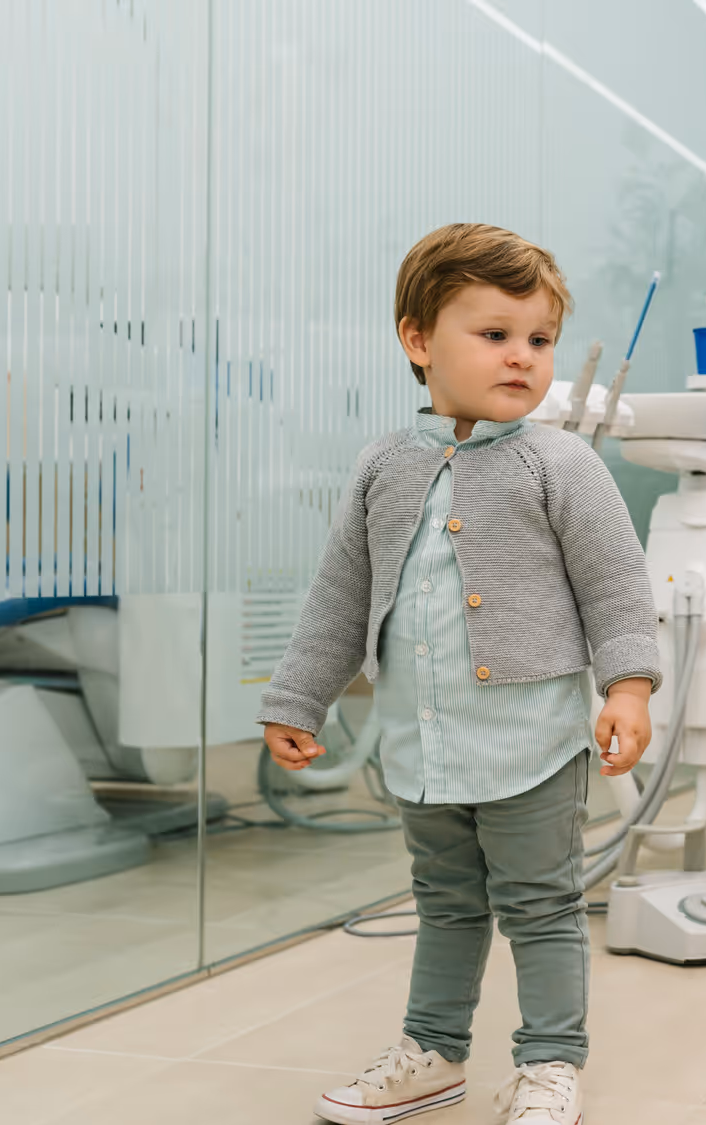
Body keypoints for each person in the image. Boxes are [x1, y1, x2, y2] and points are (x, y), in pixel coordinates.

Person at [258, 223, 660, 1125]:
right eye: (495, 334)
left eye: (539, 339)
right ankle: (435, 1051)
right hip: (423, 742)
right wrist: (297, 696)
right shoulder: (382, 468)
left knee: (542, 904)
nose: (522, 357)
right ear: (417, 341)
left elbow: (617, 586)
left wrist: (628, 685)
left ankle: (551, 1065)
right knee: (443, 902)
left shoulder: (562, 464)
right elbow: (338, 596)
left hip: (532, 743)